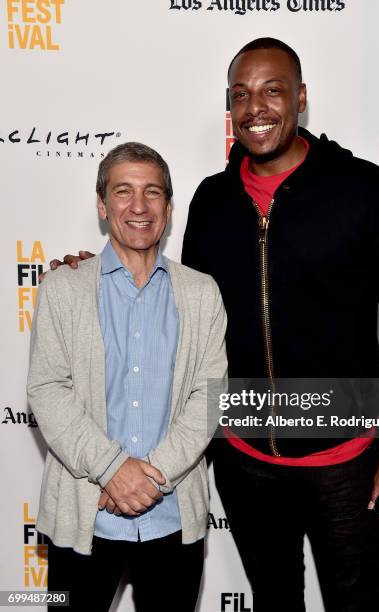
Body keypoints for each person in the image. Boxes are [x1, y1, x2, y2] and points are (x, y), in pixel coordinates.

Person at [49, 39, 379, 611]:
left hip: (345, 464)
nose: (256, 106)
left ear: (301, 98)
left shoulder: (364, 189)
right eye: (241, 94)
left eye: (272, 90)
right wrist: (88, 272)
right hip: (246, 463)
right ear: (229, 109)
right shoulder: (211, 200)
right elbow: (173, 293)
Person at [28, 142, 227, 612]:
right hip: (85, 517)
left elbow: (208, 396)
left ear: (168, 207)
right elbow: (47, 389)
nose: (139, 206)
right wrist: (113, 469)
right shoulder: (63, 287)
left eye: (152, 192)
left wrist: (149, 480)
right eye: (123, 191)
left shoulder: (201, 293)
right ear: (102, 205)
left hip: (172, 518)